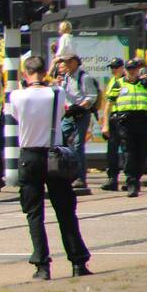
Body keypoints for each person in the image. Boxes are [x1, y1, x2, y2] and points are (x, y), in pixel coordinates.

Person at [10, 56, 91, 280]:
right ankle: (78, 262)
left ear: (26, 74)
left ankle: (42, 266)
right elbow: (62, 114)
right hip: (54, 154)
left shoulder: (17, 95)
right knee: (65, 210)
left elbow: (17, 118)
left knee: (34, 213)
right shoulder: (57, 93)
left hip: (29, 156)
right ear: (44, 72)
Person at [102, 58, 147, 197]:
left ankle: (136, 177)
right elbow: (108, 106)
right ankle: (131, 182)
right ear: (125, 70)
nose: (132, 71)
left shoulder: (145, 84)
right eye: (129, 69)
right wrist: (105, 125)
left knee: (144, 151)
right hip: (125, 122)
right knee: (129, 151)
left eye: (134, 69)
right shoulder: (118, 84)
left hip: (143, 120)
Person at [53, 46, 98, 189]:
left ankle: (80, 177)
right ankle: (66, 173)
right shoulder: (65, 77)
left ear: (75, 62)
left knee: (78, 145)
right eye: (64, 63)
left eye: (68, 62)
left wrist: (80, 107)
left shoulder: (84, 77)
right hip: (68, 115)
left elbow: (91, 96)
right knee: (61, 141)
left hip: (80, 114)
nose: (65, 65)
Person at [100, 58, 126, 190]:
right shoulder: (112, 81)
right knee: (112, 150)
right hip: (113, 119)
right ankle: (112, 179)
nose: (113, 70)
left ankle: (129, 179)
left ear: (122, 67)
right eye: (112, 67)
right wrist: (105, 123)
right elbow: (107, 104)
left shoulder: (126, 81)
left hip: (125, 119)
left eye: (116, 67)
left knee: (127, 149)